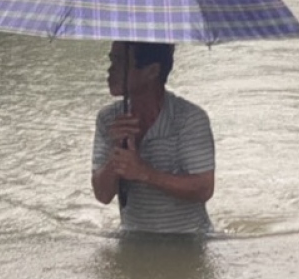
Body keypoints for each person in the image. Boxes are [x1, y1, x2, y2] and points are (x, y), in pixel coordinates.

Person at [91, 42, 215, 235]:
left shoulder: (188, 118)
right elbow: (102, 195)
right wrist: (116, 156)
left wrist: (144, 172)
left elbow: (204, 188)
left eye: (120, 62)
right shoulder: (108, 119)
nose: (110, 70)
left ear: (152, 71)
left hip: (189, 240)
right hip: (132, 239)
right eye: (111, 61)